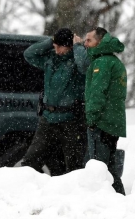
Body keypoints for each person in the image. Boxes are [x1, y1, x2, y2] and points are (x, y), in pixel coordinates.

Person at [19, 28, 89, 176]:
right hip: (48, 118)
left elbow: (84, 66)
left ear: (68, 46)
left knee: (74, 167)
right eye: (54, 46)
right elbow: (29, 54)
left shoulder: (77, 60)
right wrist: (51, 40)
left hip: (71, 121)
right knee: (29, 162)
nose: (56, 49)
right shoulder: (51, 59)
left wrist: (78, 46)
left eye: (59, 46)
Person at [83, 27, 127, 195]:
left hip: (102, 122)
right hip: (112, 122)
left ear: (99, 42)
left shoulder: (101, 63)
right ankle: (119, 199)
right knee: (109, 166)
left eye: (89, 40)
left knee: (100, 167)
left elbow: (97, 93)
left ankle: (112, 200)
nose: (85, 44)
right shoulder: (113, 61)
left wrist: (91, 119)